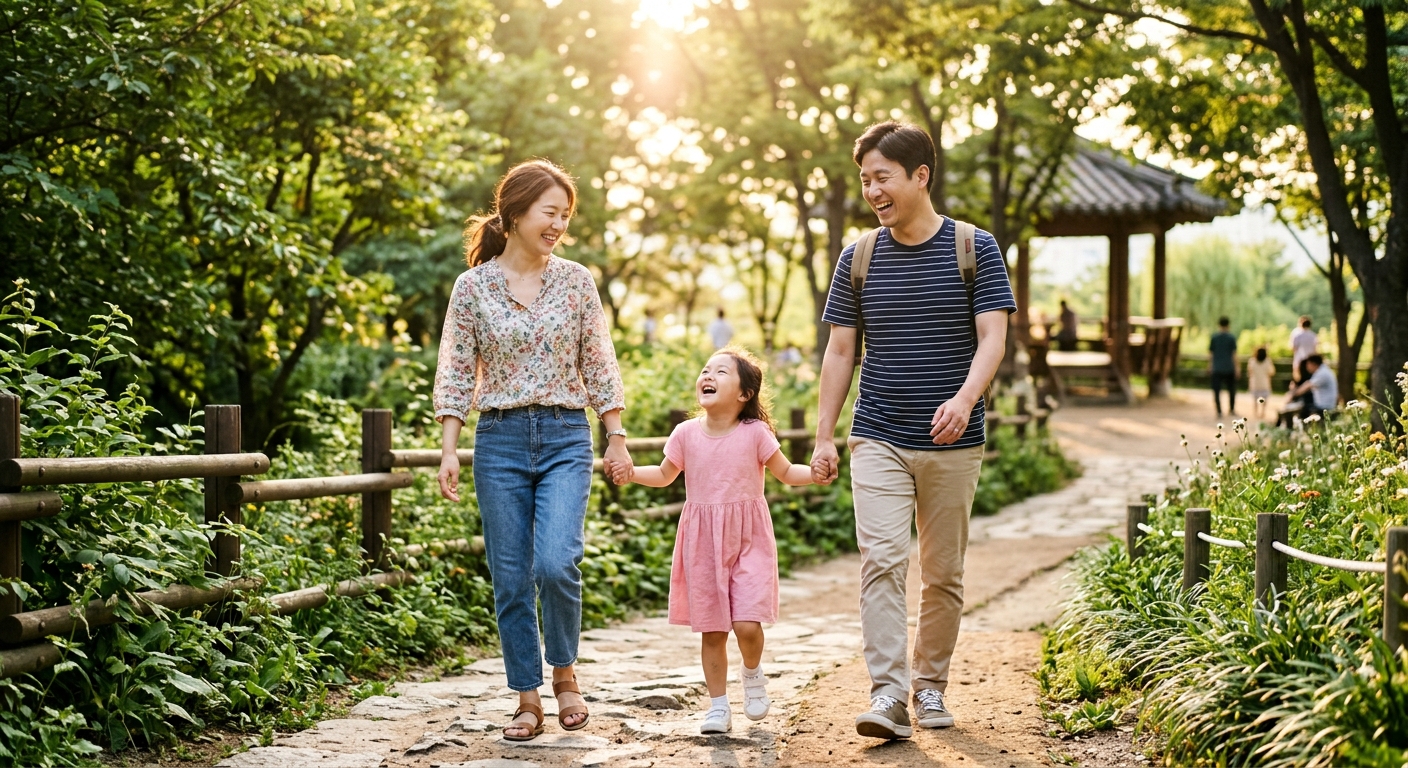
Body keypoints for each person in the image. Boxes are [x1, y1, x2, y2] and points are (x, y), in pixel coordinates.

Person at [809, 121, 1015, 739]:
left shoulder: (974, 247)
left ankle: (930, 688)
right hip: (878, 434)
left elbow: (993, 337)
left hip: (954, 440)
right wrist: (824, 433)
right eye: (865, 179)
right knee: (881, 559)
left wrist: (965, 398)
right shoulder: (859, 256)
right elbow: (840, 351)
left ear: (920, 176)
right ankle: (889, 694)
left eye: (883, 177)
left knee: (943, 571)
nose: (872, 190)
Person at [433, 160, 633, 742]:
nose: (559, 225)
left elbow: (599, 361)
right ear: (516, 212)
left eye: (565, 216)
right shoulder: (472, 288)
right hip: (498, 439)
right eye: (551, 213)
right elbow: (453, 369)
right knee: (511, 575)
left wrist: (615, 433)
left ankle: (565, 672)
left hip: (568, 434)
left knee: (556, 561)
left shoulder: (575, 282)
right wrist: (449, 448)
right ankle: (527, 695)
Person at [606, 348, 817, 734]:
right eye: (707, 369)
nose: (709, 374)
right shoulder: (685, 433)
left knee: (748, 625)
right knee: (714, 630)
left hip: (749, 538)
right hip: (702, 541)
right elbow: (666, 474)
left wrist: (815, 474)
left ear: (744, 394)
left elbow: (786, 472)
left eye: (722, 371)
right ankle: (718, 706)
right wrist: (632, 472)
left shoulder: (756, 433)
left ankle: (752, 673)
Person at [1288, 353, 1338, 421]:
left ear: (1313, 364)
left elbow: (1307, 386)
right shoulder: (1323, 370)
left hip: (1324, 407)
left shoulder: (1322, 373)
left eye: (1308, 365)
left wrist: (1294, 393)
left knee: (1297, 412)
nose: (1307, 368)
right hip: (1323, 405)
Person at [1208, 316, 1238, 417]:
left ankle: (1219, 410)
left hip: (1217, 367)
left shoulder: (1214, 337)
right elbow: (1234, 354)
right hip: (1229, 367)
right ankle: (1232, 409)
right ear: (1228, 325)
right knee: (1231, 390)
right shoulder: (1231, 338)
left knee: (1216, 390)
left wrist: (1210, 366)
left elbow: (1211, 354)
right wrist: (1237, 367)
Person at [1247, 346, 1275, 420]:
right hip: (1265, 383)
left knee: (1255, 399)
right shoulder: (1267, 361)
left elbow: (1250, 371)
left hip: (1255, 383)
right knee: (1264, 399)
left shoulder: (1252, 361)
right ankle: (1262, 412)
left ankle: (1255, 412)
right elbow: (1272, 372)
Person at [1290, 316, 1317, 384]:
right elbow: (1315, 349)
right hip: (1310, 361)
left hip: (1299, 360)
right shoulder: (1313, 335)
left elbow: (1293, 348)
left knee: (1298, 380)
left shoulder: (1297, 335)